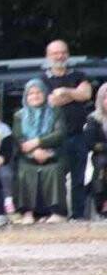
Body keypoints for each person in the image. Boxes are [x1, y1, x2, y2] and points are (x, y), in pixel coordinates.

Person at [40, 40, 93, 218]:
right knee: (57, 178)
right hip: (54, 138)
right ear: (48, 56)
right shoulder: (42, 79)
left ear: (68, 54)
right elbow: (50, 102)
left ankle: (78, 216)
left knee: (79, 179)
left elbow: (86, 94)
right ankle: (58, 215)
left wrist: (64, 91)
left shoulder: (79, 74)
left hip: (78, 135)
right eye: (55, 53)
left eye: (63, 52)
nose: (59, 56)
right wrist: (74, 94)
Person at [13, 79, 67, 223]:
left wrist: (38, 142)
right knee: (24, 170)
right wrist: (33, 152)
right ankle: (27, 213)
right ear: (26, 96)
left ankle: (57, 212)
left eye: (38, 92)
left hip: (52, 154)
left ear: (45, 93)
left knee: (54, 169)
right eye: (31, 93)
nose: (35, 96)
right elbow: (19, 138)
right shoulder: (19, 115)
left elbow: (59, 134)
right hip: (28, 156)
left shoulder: (55, 111)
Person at [85, 84, 107, 217]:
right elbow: (91, 143)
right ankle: (103, 202)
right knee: (102, 163)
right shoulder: (93, 119)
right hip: (101, 155)